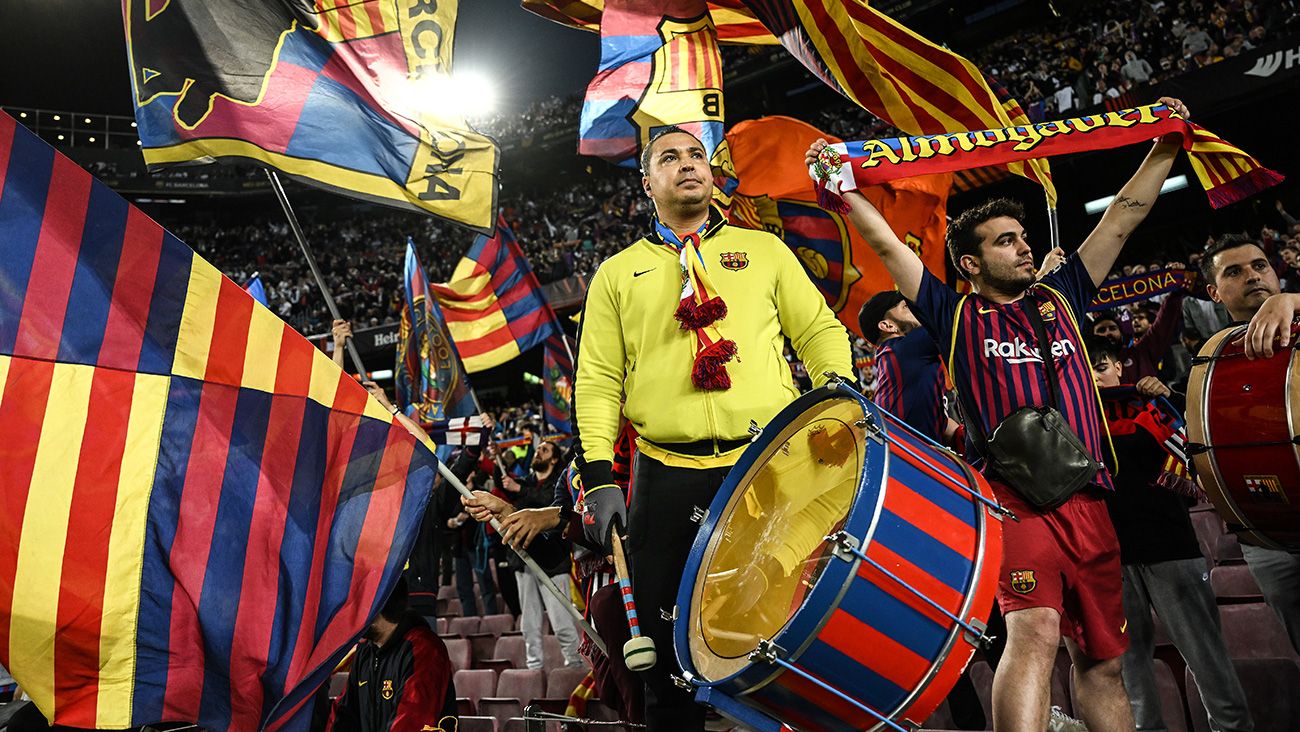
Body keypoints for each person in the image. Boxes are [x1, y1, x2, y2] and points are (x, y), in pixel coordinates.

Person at [814, 94, 1190, 732]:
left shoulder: (1063, 295)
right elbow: (882, 240)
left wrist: (1163, 149)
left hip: (1092, 498)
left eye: (1023, 239)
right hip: (1013, 500)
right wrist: (841, 183)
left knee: (1101, 660)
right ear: (970, 263)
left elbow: (1122, 220)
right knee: (1035, 632)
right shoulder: (951, 313)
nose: (1022, 249)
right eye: (1006, 242)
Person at [576, 127, 853, 731]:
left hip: (766, 467)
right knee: (665, 660)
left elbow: (821, 332)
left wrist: (835, 396)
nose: (687, 165)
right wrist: (598, 475)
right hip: (664, 477)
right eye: (668, 158)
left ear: (712, 172)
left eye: (696, 155)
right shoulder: (616, 275)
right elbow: (598, 381)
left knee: (785, 637)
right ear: (647, 184)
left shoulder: (767, 252)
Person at [1088, 336, 1254, 732]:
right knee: (1130, 672)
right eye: (1087, 369)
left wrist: (1171, 394)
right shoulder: (1072, 417)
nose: (1096, 377)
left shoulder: (1156, 405)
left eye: (1101, 366)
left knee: (1206, 659)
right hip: (1110, 558)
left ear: (1117, 366)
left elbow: (1199, 437)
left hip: (1170, 549)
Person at [1199, 235, 1300, 654]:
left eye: (1260, 266)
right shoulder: (1214, 362)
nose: (1253, 276)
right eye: (1234, 272)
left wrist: (1293, 300)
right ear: (1214, 292)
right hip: (1266, 534)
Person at [326, 577, 458, 732]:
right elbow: (343, 716)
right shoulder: (365, 652)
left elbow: (410, 722)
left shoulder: (424, 650)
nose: (352, 616)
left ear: (377, 607)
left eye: (358, 607)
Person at [500, 440, 583, 670]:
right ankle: (534, 669)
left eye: (544, 450)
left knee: (561, 619)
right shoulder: (523, 482)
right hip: (524, 560)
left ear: (554, 459)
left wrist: (520, 490)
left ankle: (574, 667)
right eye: (538, 449)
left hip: (554, 562)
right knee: (529, 621)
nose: (538, 452)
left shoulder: (559, 482)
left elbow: (552, 510)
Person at [858, 290, 955, 444]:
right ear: (888, 325)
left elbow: (943, 426)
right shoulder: (904, 349)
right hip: (910, 460)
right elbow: (955, 320)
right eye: (906, 307)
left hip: (904, 457)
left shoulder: (894, 359)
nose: (915, 309)